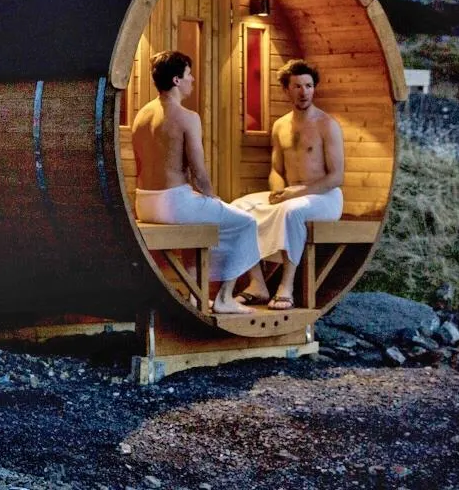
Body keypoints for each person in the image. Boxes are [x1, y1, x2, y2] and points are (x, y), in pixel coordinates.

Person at [132, 50, 261, 315]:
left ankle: (194, 296)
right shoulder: (187, 117)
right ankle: (225, 297)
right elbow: (199, 173)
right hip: (174, 203)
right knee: (247, 223)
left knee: (199, 224)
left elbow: (140, 166)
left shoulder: (141, 115)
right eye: (189, 74)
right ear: (177, 80)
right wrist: (212, 198)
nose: (193, 79)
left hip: (144, 202)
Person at [233, 59, 344, 311]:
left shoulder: (327, 125)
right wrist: (277, 190)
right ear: (286, 90)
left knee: (291, 212)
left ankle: (286, 286)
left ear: (314, 88)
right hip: (292, 194)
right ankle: (257, 285)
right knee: (238, 208)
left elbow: (336, 177)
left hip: (324, 197)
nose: (304, 92)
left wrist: (298, 192)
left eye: (308, 85)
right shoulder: (280, 125)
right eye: (297, 86)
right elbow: (276, 169)